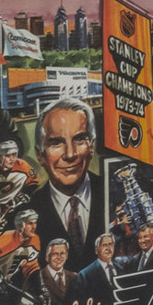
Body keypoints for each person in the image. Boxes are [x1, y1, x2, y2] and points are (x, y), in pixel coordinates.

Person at [29, 99, 106, 264]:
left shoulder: (116, 193)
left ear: (91, 147)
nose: (70, 154)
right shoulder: (26, 212)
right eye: (56, 142)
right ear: (40, 155)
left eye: (79, 139)